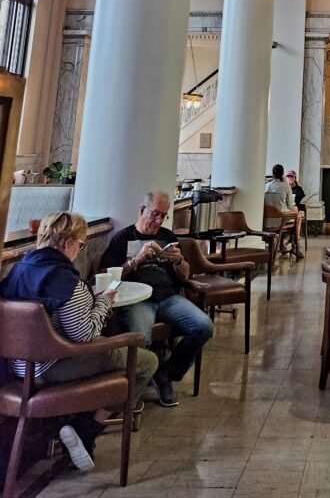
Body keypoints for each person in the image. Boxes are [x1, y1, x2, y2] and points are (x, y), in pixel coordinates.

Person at [0, 211, 158, 473]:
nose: (79, 249)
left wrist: (88, 300)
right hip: (51, 367)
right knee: (144, 361)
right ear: (68, 241)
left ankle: (76, 428)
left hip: (17, 367)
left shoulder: (20, 268)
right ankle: (87, 428)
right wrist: (105, 300)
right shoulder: (64, 280)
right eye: (80, 244)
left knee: (116, 352)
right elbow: (85, 335)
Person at [100, 190, 213, 407]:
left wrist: (179, 261)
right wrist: (136, 260)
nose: (158, 220)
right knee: (141, 337)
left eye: (163, 216)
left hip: (168, 297)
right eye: (154, 214)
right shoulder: (123, 238)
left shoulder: (168, 236)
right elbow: (107, 275)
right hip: (137, 300)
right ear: (141, 210)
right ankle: (136, 388)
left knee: (204, 326)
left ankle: (166, 375)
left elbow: (185, 274)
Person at [264, 164, 304, 258]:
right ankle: (295, 245)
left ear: (273, 173)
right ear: (282, 174)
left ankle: (282, 243)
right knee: (298, 216)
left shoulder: (266, 186)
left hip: (266, 221)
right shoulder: (285, 186)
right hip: (280, 221)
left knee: (293, 213)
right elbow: (290, 205)